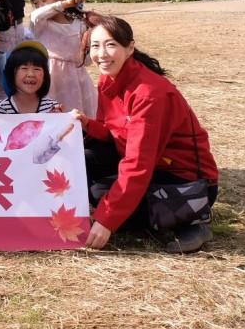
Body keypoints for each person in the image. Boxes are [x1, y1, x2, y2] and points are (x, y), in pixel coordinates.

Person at [75, 13, 219, 253]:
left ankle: (192, 221)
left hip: (186, 179)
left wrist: (106, 220)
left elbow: (139, 162)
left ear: (130, 48)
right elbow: (115, 132)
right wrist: (87, 124)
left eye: (111, 45)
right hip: (155, 168)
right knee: (86, 164)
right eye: (95, 46)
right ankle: (158, 217)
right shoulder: (108, 81)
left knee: (102, 196)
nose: (101, 54)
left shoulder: (149, 93)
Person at [26, 0, 97, 114]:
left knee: (78, 116)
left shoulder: (79, 24)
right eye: (37, 2)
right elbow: (36, 15)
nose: (40, 5)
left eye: (44, 0)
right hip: (50, 77)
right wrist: (65, 4)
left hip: (76, 80)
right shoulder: (41, 23)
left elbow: (87, 60)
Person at [0, 41, 62, 114]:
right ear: (12, 73)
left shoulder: (52, 107)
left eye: (37, 69)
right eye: (24, 68)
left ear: (44, 77)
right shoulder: (2, 108)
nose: (31, 74)